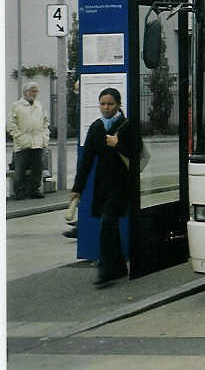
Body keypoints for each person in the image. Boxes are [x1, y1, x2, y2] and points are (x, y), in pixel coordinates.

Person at [70, 88, 142, 285]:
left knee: (107, 223)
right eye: (102, 104)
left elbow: (138, 152)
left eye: (110, 104)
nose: (106, 108)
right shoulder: (96, 128)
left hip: (122, 184)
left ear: (118, 105)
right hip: (103, 185)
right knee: (109, 224)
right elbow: (86, 161)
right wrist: (78, 188)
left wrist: (118, 144)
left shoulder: (126, 126)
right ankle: (118, 266)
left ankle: (106, 269)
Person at [7, 82, 50, 200]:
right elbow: (11, 124)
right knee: (20, 170)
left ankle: (34, 190)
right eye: (32, 91)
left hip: (37, 142)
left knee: (37, 169)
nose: (34, 94)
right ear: (26, 92)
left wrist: (45, 137)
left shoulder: (39, 105)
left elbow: (46, 123)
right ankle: (19, 192)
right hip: (22, 144)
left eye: (36, 91)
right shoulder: (16, 106)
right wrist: (19, 137)